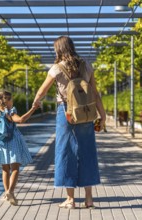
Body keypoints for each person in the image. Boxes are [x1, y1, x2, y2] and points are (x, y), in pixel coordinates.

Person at [32, 36, 106, 209]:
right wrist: (102, 116)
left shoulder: (57, 68)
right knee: (87, 152)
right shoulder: (86, 65)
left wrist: (36, 102)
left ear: (59, 49)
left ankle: (70, 200)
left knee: (65, 152)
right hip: (86, 112)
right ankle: (89, 199)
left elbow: (42, 91)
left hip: (65, 112)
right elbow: (95, 93)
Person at [0, 89, 37, 206]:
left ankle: (6, 192)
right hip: (12, 142)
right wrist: (33, 109)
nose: (12, 102)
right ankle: (11, 192)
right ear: (6, 101)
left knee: (5, 169)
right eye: (11, 99)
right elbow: (21, 120)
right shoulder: (9, 112)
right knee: (15, 168)